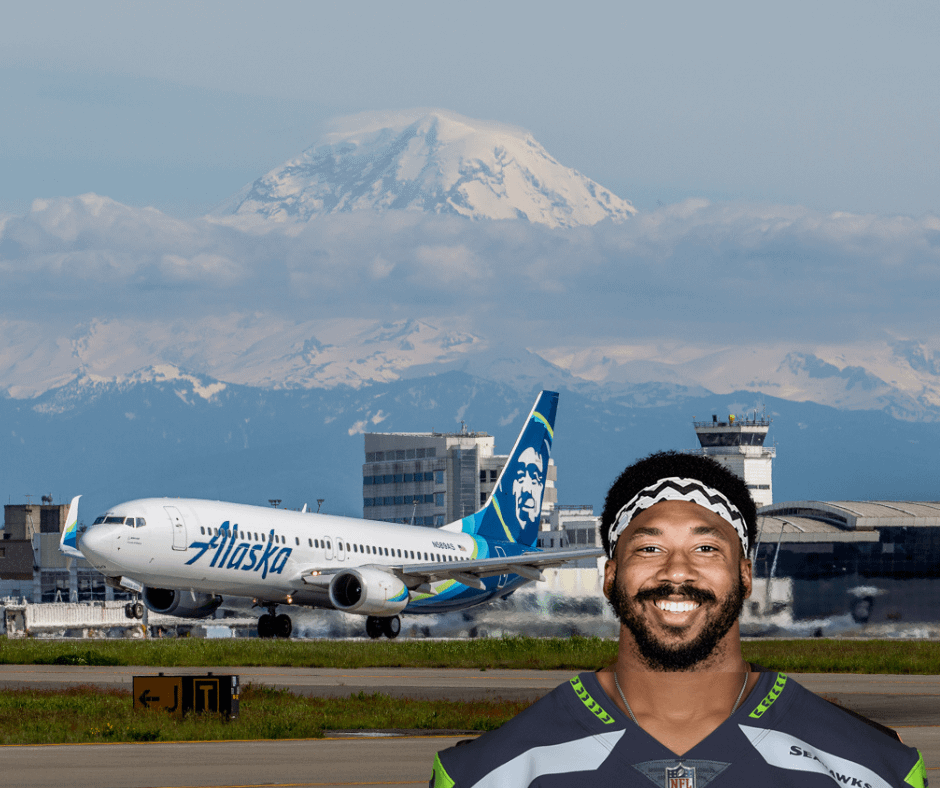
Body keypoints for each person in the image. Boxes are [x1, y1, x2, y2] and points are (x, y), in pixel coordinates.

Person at [431, 451, 928, 787]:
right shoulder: (484, 773)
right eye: (649, 548)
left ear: (745, 574)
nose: (676, 572)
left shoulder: (878, 769)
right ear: (610, 575)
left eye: (706, 548)